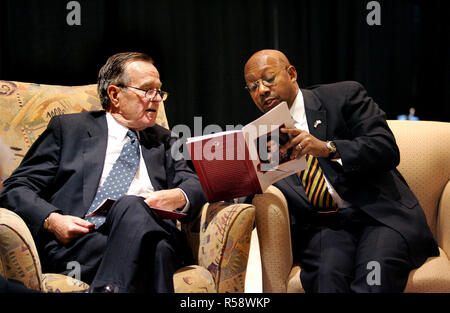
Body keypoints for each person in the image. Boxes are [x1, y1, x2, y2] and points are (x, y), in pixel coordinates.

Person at [0, 52, 206, 293]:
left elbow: (196, 183)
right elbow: (17, 187)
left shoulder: (166, 141)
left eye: (159, 91)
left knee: (134, 210)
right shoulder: (69, 129)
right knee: (157, 250)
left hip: (151, 232)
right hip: (83, 244)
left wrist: (178, 196)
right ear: (115, 94)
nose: (156, 98)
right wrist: (53, 219)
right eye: (147, 89)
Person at [243, 49, 438, 292]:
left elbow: (386, 148)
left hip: (378, 215)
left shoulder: (343, 96)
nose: (261, 90)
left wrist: (328, 148)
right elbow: (248, 194)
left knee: (372, 279)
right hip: (325, 226)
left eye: (268, 79)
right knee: (327, 280)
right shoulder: (261, 137)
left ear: (292, 74)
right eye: (252, 87)